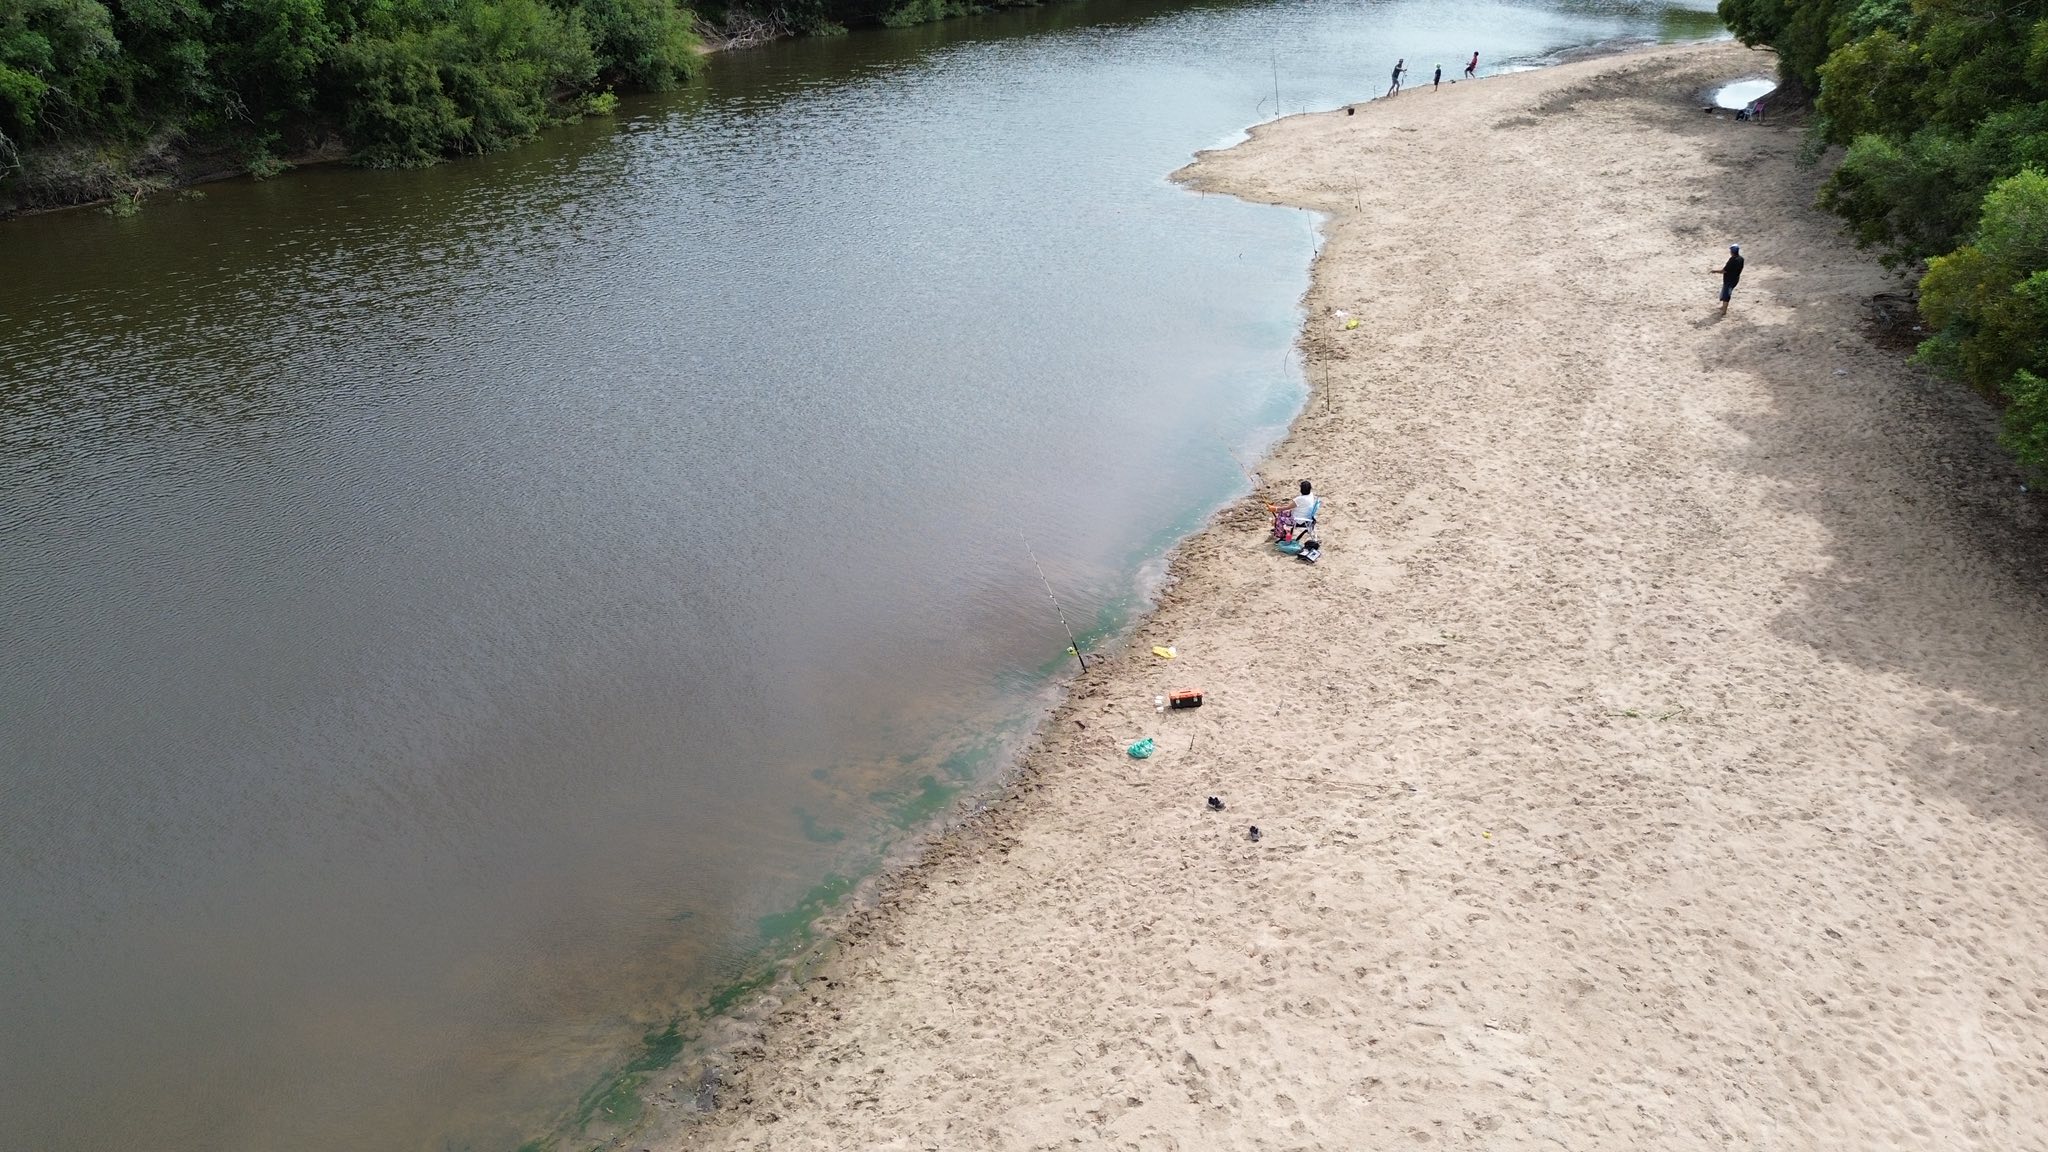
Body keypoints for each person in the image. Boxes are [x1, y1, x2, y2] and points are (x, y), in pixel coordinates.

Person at [1711, 243, 1745, 315]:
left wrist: (1714, 271)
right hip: (1735, 279)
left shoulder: (1732, 260)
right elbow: (1741, 269)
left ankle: (1724, 311)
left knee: (1726, 295)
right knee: (1726, 293)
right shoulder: (1741, 259)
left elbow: (1724, 271)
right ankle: (1723, 307)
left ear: (1732, 252)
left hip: (1729, 281)